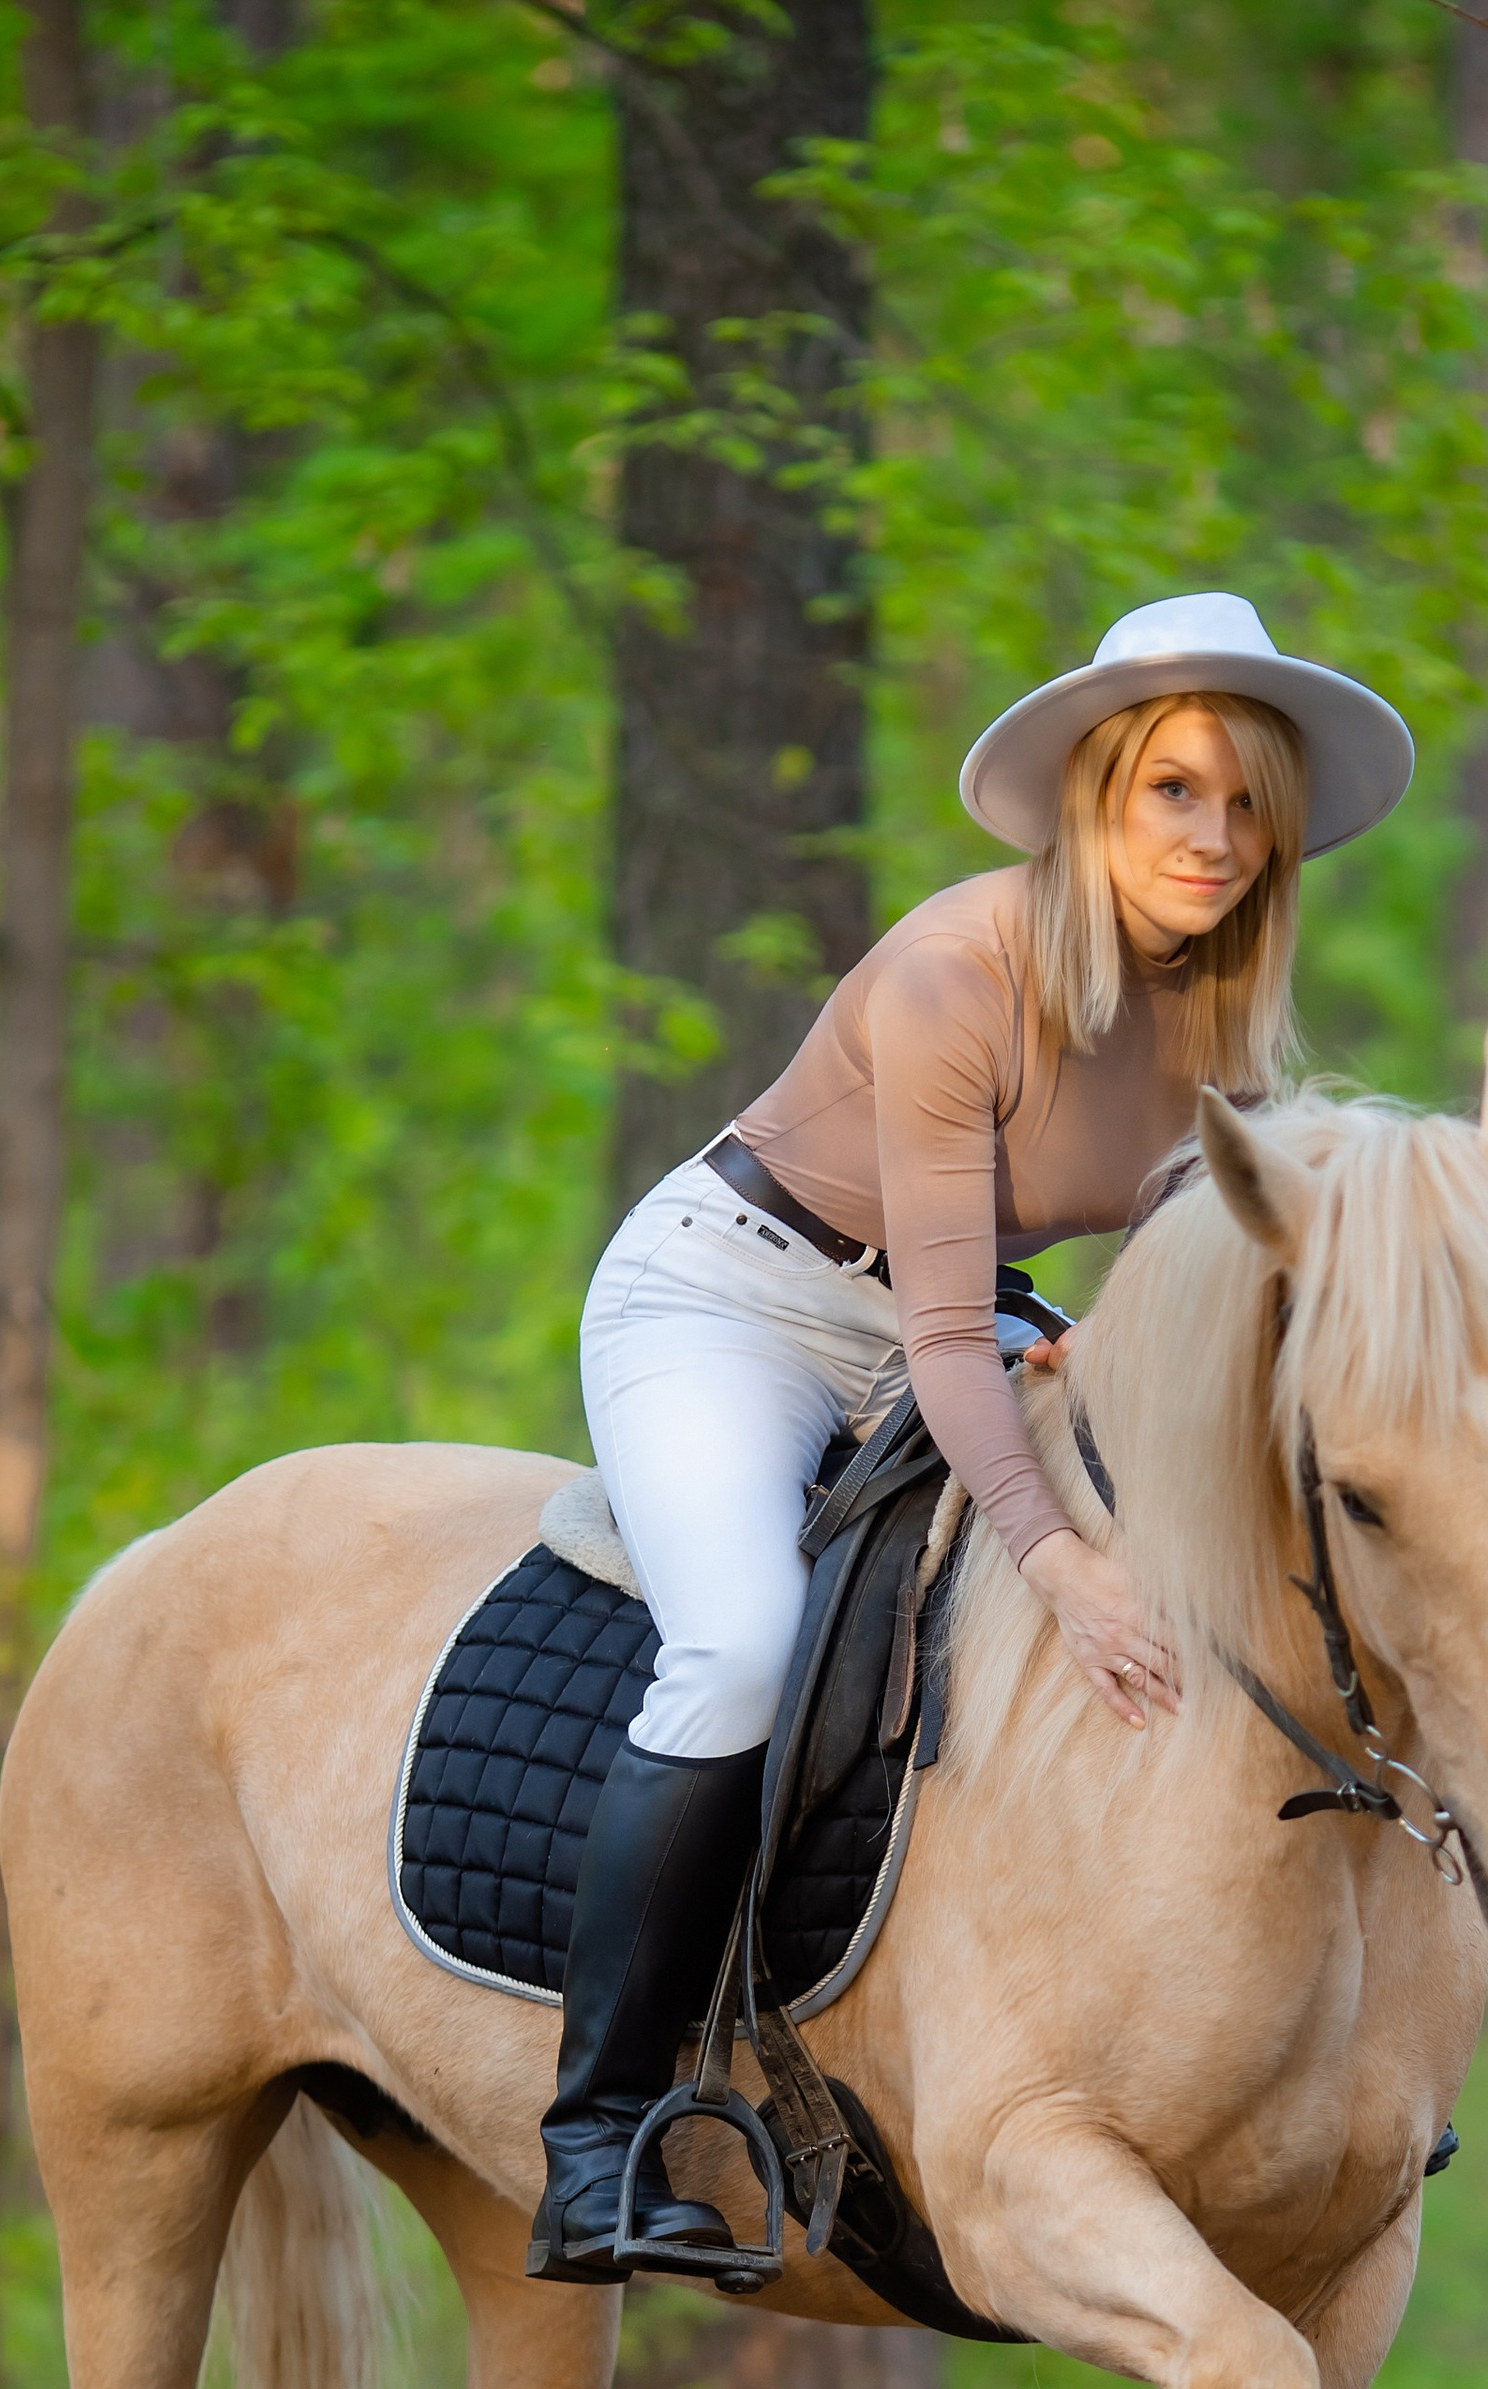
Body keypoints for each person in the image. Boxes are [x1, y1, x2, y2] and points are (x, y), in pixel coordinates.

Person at [529, 590, 1413, 2285]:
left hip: (969, 1316)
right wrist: (1067, 1557)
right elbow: (937, 1333)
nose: (1214, 838)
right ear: (1098, 792)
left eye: (1246, 805)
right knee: (738, 1646)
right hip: (740, 1302)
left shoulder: (1222, 1017)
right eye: (1175, 790)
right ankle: (594, 2141)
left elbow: (1171, 1293)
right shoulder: (955, 973)